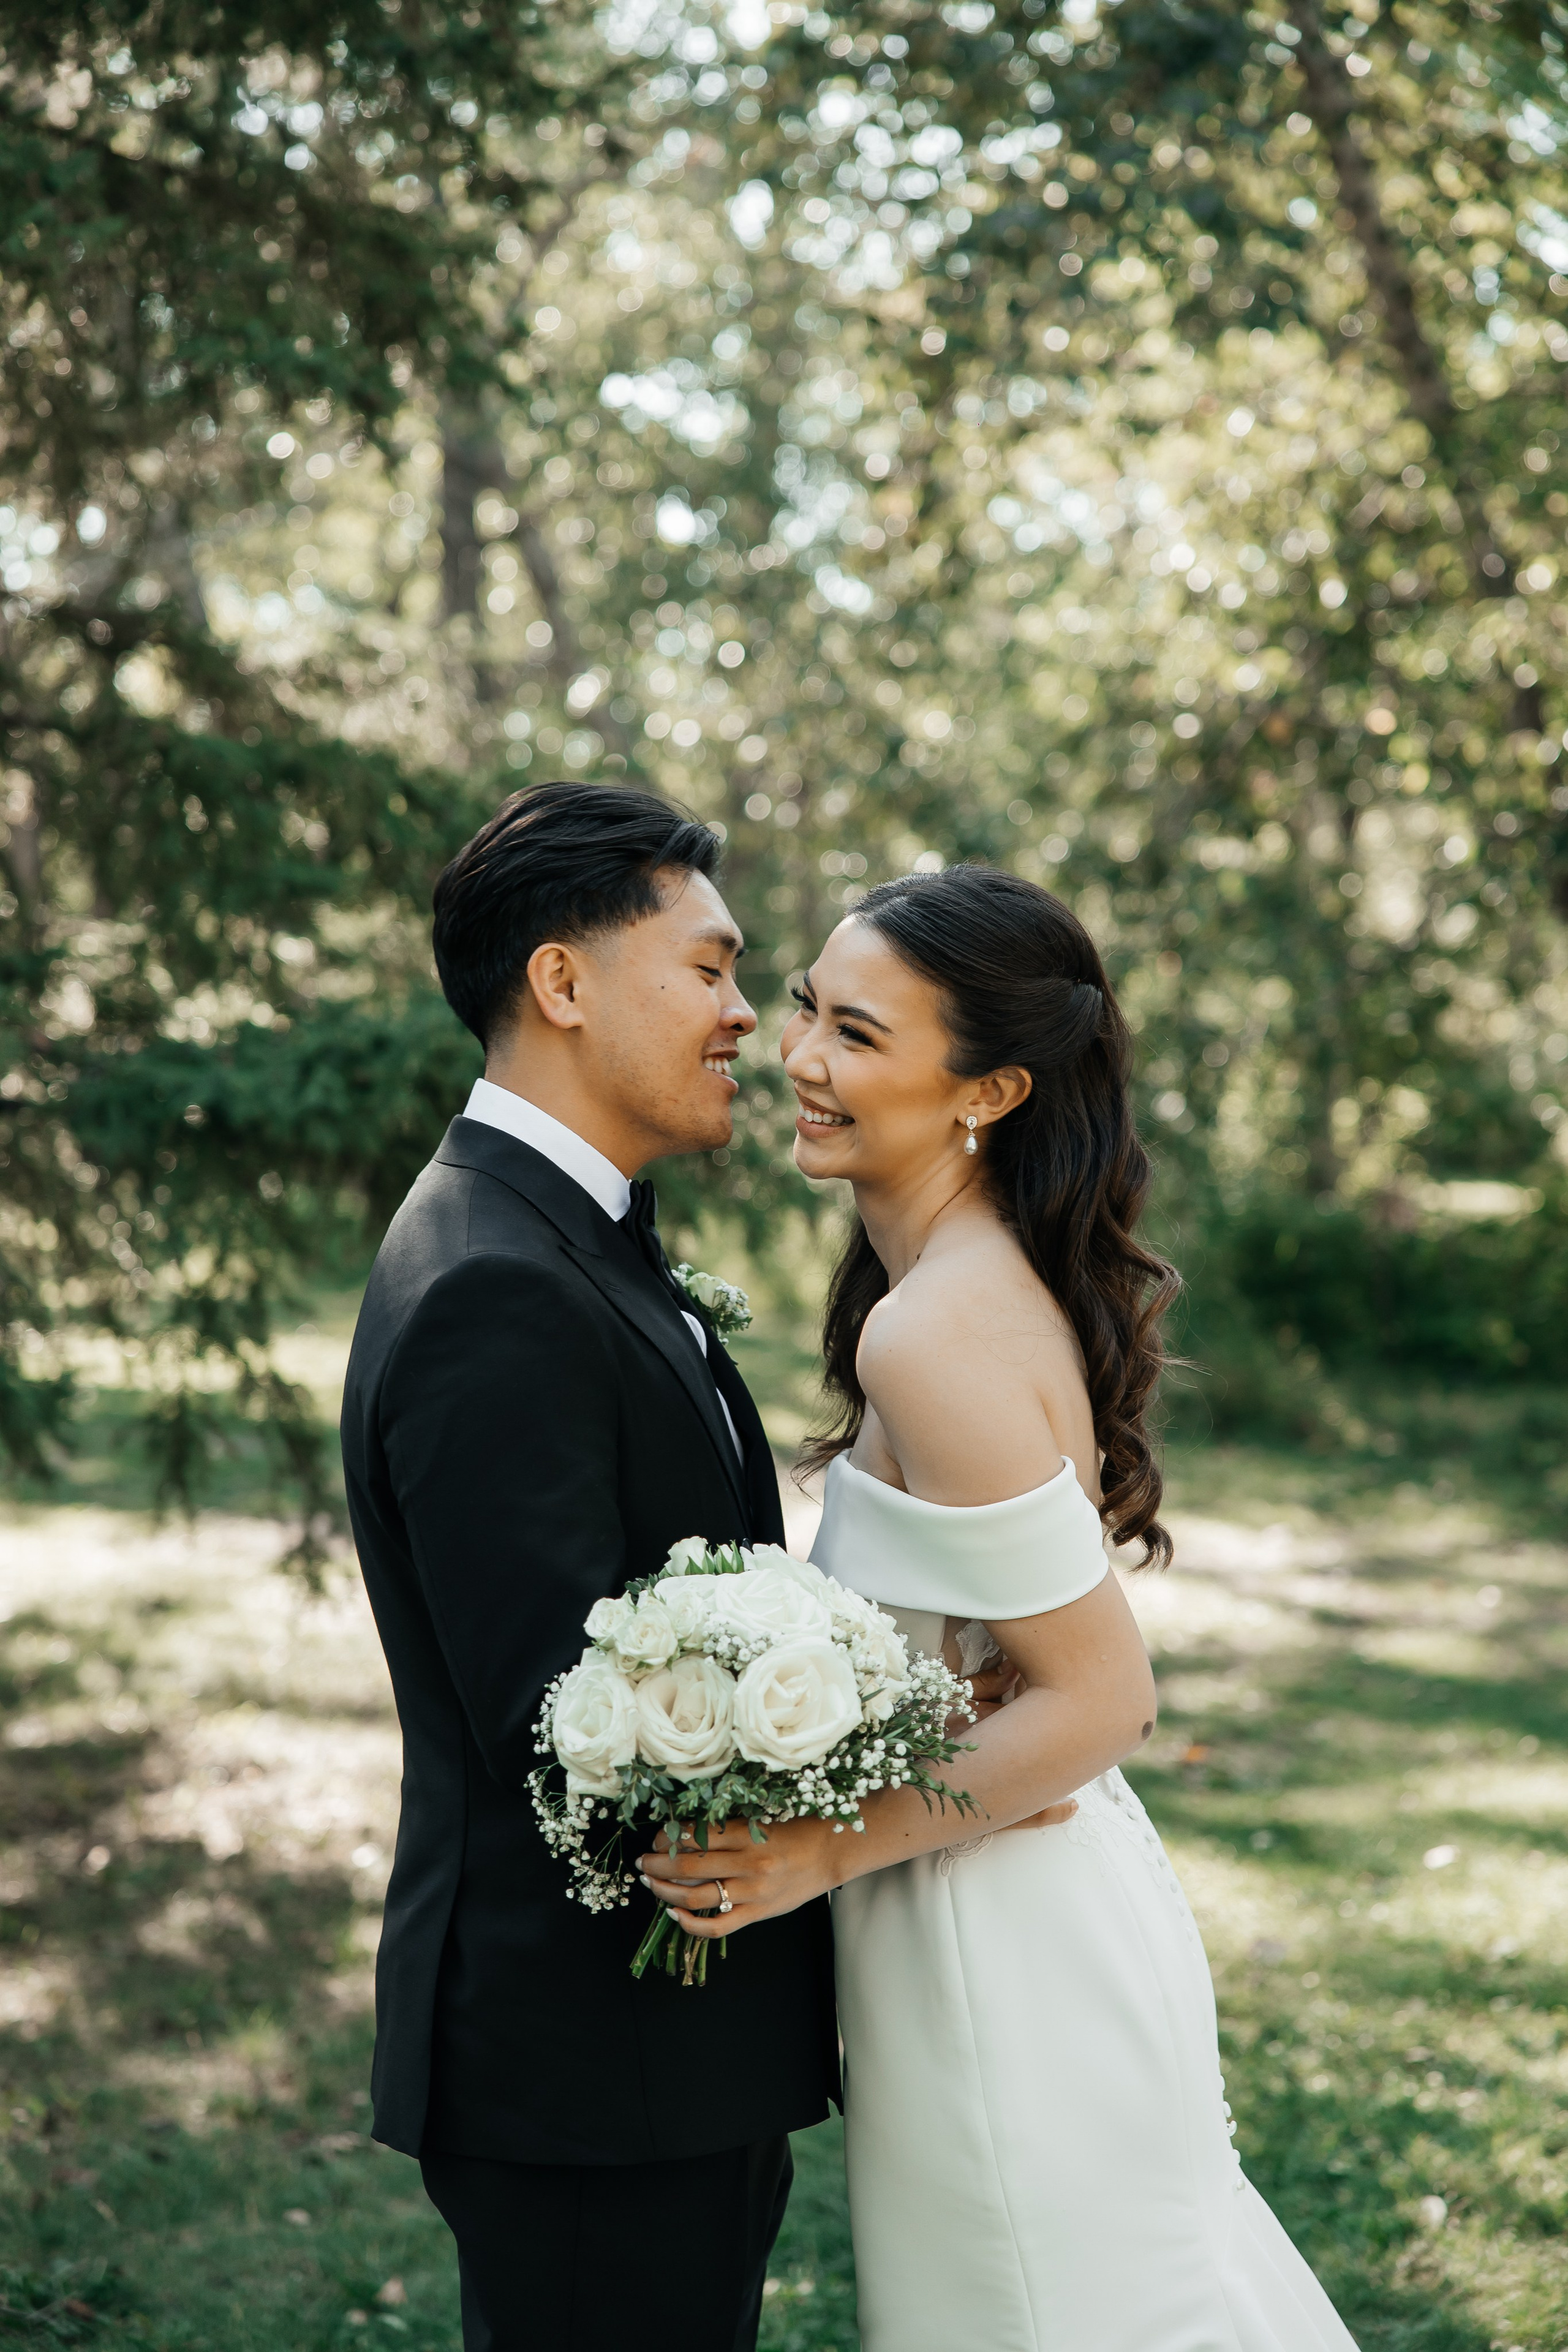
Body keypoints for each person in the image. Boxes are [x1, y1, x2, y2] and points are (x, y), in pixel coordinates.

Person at [639, 865, 1362, 2351]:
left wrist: (813, 1851)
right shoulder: (956, 1284)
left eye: (857, 1035)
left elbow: (1101, 1696)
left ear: (990, 1090)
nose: (798, 1056)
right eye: (805, 1010)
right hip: (984, 1894)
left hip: (1000, 1954)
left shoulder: (935, 1330)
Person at [339, 782, 839, 2352]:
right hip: (587, 2071)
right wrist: (868, 1736)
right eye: (708, 968)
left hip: (652, 2059)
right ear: (561, 982)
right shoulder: (492, 1280)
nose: (745, 1015)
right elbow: (567, 1722)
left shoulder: (566, 1236)